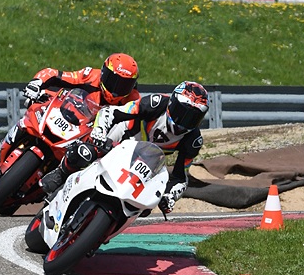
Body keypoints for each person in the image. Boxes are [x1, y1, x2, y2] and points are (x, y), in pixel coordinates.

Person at [41, 81, 209, 213]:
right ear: (171, 104)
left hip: (144, 161)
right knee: (87, 153)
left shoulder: (193, 140)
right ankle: (61, 174)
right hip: (122, 137)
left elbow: (181, 177)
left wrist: (170, 196)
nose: (183, 122)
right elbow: (112, 112)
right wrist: (100, 131)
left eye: (192, 118)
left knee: (145, 207)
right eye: (181, 112)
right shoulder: (156, 103)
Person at [0, 53, 140, 168]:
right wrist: (36, 84)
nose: (115, 90)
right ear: (103, 73)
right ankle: (3, 154)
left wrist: (112, 143)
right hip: (67, 115)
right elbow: (54, 74)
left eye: (124, 85)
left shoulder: (133, 101)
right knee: (34, 107)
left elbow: (132, 131)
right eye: (113, 81)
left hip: (88, 137)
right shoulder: (91, 75)